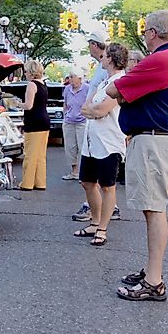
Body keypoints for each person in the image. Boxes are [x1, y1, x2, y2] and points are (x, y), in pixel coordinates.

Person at [107, 10, 168, 302]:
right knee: (152, 208)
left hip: (155, 141)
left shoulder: (162, 59)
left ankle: (154, 281)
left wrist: (125, 89)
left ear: (153, 32)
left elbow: (113, 88)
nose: (143, 36)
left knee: (154, 210)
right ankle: (150, 271)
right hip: (156, 140)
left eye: (144, 32)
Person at [72, 43, 128, 246]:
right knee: (87, 182)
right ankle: (94, 222)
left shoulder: (120, 81)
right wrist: (92, 110)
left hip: (109, 143)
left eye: (104, 56)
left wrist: (93, 110)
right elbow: (86, 108)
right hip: (91, 141)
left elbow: (100, 110)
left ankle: (102, 229)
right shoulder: (105, 82)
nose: (101, 59)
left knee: (107, 186)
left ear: (111, 59)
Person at [71, 30, 112, 217]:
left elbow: (105, 100)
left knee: (102, 179)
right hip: (93, 124)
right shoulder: (100, 67)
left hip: (102, 127)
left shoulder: (107, 69)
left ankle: (96, 212)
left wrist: (90, 110)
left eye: (90, 44)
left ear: (95, 45)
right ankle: (101, 210)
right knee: (91, 178)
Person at [17, 59, 50, 191]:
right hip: (44, 121)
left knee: (30, 154)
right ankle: (40, 182)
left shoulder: (31, 85)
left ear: (31, 72)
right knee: (40, 155)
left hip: (34, 122)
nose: (25, 73)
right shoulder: (43, 84)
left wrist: (17, 104)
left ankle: (27, 183)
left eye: (25, 71)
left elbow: (28, 105)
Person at [61, 67, 89, 180]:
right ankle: (74, 171)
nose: (70, 79)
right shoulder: (67, 89)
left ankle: (83, 173)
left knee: (83, 147)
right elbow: (65, 104)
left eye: (73, 77)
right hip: (69, 122)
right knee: (70, 148)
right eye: (69, 77)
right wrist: (65, 115)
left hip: (82, 122)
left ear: (80, 78)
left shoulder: (87, 89)